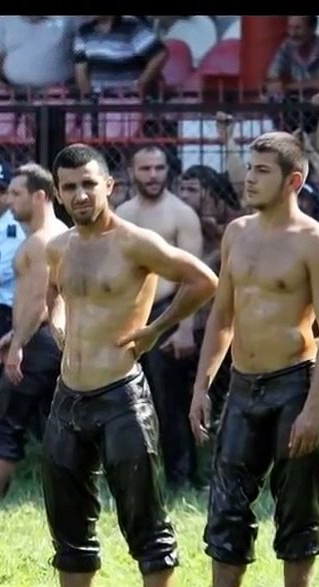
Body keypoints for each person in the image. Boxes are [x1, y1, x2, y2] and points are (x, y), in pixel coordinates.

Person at [42, 144, 218, 587]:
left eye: (88, 184)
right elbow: (52, 293)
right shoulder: (60, 246)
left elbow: (202, 280)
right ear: (57, 193)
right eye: (70, 187)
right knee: (67, 512)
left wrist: (156, 330)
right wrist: (55, 324)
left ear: (108, 186)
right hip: (68, 395)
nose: (80, 195)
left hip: (120, 393)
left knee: (143, 510)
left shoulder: (135, 242)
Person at [190, 131, 319, 587]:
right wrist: (203, 384)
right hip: (243, 385)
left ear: (293, 181)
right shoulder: (236, 233)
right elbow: (222, 315)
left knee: (297, 508)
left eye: (261, 171)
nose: (248, 178)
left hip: (293, 384)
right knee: (227, 507)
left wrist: (313, 405)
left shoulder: (315, 242)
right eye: (249, 168)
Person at [116, 145, 206, 492]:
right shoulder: (122, 213)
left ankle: (181, 478)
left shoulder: (182, 215)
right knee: (129, 400)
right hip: (127, 314)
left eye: (158, 168)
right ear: (132, 171)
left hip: (169, 311)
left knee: (171, 402)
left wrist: (184, 328)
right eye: (145, 168)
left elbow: (193, 278)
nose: (153, 175)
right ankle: (138, 477)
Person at [0, 162, 69, 511]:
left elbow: (39, 303)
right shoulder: (60, 232)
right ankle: (66, 496)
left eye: (16, 193)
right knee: (55, 426)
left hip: (40, 340)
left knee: (5, 422)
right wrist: (13, 333)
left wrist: (19, 344)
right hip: (49, 338)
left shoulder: (38, 242)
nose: (8, 199)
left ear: (40, 196)